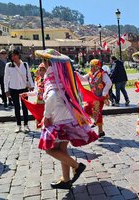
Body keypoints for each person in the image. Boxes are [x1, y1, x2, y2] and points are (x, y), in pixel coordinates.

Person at [36, 49, 98, 189]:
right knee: (62, 149)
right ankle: (65, 179)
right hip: (68, 117)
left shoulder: (51, 77)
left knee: (50, 149)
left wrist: (46, 117)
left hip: (57, 119)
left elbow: (51, 96)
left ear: (48, 62)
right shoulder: (63, 76)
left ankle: (77, 166)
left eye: (43, 61)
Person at [76, 59, 112, 137]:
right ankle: (87, 128)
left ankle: (100, 131)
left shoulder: (102, 74)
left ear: (97, 67)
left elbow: (109, 83)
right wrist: (76, 74)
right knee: (86, 109)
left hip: (99, 97)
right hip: (92, 96)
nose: (90, 67)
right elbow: (83, 78)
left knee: (97, 111)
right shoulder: (90, 74)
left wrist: (104, 93)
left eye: (92, 66)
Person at [4, 49, 34, 133]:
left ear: (18, 55)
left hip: (23, 88)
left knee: (25, 107)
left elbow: (29, 75)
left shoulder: (25, 64)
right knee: (16, 107)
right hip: (13, 88)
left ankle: (26, 124)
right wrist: (6, 90)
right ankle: (18, 125)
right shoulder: (8, 65)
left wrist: (31, 85)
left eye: (15, 55)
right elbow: (6, 79)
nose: (13, 57)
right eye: (12, 56)